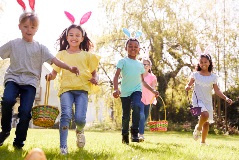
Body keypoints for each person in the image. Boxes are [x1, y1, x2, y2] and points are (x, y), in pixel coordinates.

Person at [0, 1, 79, 150]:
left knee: (25, 112)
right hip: (13, 79)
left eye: (32, 27)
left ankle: (19, 142)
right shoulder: (13, 44)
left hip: (30, 83)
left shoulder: (40, 48)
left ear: (36, 29)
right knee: (7, 100)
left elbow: (55, 60)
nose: (29, 29)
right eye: (25, 26)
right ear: (19, 27)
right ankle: (4, 131)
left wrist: (69, 67)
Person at [46, 16, 100, 154]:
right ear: (66, 37)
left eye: (77, 35)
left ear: (82, 38)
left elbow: (95, 73)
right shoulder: (61, 54)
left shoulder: (87, 56)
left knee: (80, 119)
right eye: (71, 35)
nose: (74, 37)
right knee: (65, 115)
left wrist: (95, 78)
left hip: (82, 89)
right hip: (66, 89)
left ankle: (80, 130)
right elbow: (54, 72)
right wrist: (50, 77)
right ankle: (63, 147)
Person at [113, 32, 159, 145]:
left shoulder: (140, 65)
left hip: (136, 91)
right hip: (124, 92)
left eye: (135, 47)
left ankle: (134, 132)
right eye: (130, 46)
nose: (133, 48)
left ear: (139, 49)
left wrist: (153, 90)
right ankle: (124, 135)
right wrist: (115, 88)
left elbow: (142, 81)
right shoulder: (122, 61)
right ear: (126, 48)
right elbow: (116, 76)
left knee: (138, 106)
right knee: (125, 116)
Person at [185, 44, 233, 145]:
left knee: (206, 123)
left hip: (207, 101)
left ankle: (203, 142)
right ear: (199, 63)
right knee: (205, 115)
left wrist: (226, 98)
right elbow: (188, 85)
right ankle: (197, 128)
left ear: (209, 62)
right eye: (201, 62)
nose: (203, 64)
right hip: (197, 100)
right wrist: (187, 87)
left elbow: (217, 90)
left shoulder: (213, 77)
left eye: (205, 62)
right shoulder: (195, 75)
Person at [139, 58, 158, 141]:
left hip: (149, 99)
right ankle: (141, 134)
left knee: (145, 117)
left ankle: (136, 130)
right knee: (141, 115)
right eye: (143, 64)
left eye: (147, 64)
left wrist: (154, 92)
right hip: (140, 98)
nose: (145, 66)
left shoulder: (152, 77)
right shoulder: (139, 75)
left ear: (150, 66)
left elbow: (153, 87)